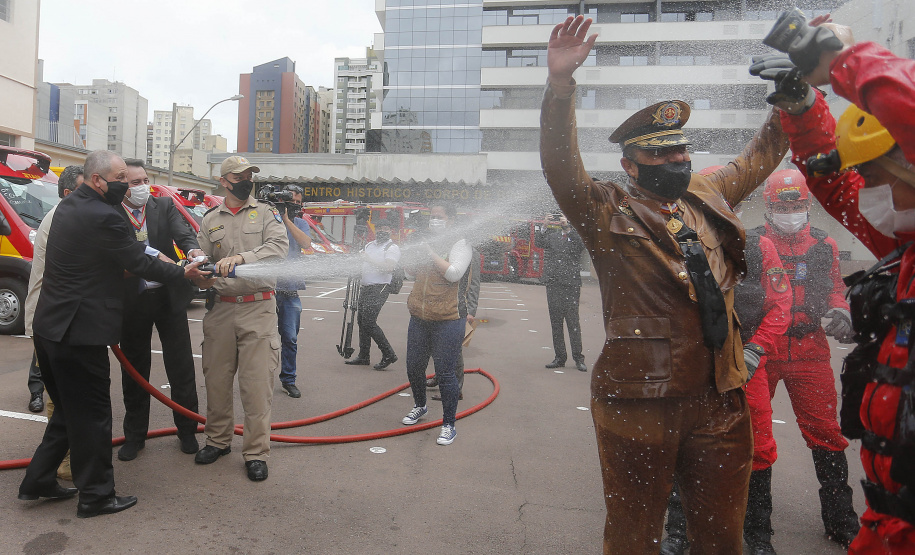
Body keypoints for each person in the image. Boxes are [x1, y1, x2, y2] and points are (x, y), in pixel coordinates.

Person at [541, 16, 790, 553]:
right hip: (640, 398)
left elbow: (759, 156)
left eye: (681, 150)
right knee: (634, 535)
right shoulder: (604, 208)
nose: (676, 160)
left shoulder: (707, 191)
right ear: (630, 164)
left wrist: (792, 99)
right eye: (660, 153)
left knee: (723, 534)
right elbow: (561, 166)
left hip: (720, 396)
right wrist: (560, 86)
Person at [754, 17, 915, 553]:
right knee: (759, 443)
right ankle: (760, 530)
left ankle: (835, 516)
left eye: (872, 177)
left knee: (824, 437)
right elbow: (832, 182)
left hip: (809, 352)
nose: (862, 191)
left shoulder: (837, 246)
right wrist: (802, 109)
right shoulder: (904, 246)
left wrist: (846, 62)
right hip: (893, 518)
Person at [18, 150, 206, 518]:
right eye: (121, 178)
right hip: (78, 332)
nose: (127, 185)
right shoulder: (104, 215)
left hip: (50, 329)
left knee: (68, 414)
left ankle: (37, 480)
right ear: (98, 180)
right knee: (92, 415)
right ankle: (97, 496)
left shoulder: (69, 209)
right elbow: (136, 261)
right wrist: (185, 273)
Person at [193, 156, 288, 482]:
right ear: (224, 181)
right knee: (217, 381)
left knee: (256, 386)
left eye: (250, 175)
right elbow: (202, 257)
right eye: (240, 176)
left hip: (258, 309)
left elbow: (278, 249)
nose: (246, 180)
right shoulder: (210, 219)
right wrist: (198, 269)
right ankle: (217, 441)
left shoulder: (266, 213)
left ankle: (255, 453)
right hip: (220, 309)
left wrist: (241, 259)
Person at [116, 159, 206, 461]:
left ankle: (187, 430)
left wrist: (193, 250)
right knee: (135, 369)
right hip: (133, 300)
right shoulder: (112, 211)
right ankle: (135, 435)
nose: (141, 187)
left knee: (180, 366)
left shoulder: (163, 206)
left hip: (168, 297)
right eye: (133, 183)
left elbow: (183, 233)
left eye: (144, 181)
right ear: (121, 185)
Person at [23, 165, 83, 481]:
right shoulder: (63, 219)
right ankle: (62, 463)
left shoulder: (65, 215)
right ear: (69, 193)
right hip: (52, 323)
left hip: (53, 320)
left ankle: (65, 460)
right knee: (60, 397)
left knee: (64, 395)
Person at [400, 204, 472, 446]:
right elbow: (412, 275)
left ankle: (449, 424)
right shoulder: (424, 240)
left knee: (445, 373)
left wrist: (429, 252)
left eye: (439, 217)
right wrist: (409, 259)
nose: (434, 221)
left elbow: (454, 273)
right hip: (420, 315)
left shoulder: (461, 243)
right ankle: (420, 406)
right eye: (432, 217)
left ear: (450, 220)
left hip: (448, 318)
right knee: (413, 366)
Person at [345, 216, 400, 370]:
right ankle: (364, 355)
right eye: (379, 229)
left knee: (369, 322)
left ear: (390, 231)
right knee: (361, 321)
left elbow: (388, 267)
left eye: (385, 229)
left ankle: (388, 353)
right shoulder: (369, 245)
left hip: (379, 288)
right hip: (366, 287)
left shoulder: (392, 248)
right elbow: (363, 263)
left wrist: (368, 260)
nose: (382, 231)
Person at [427, 244, 481, 401]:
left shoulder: (470, 251)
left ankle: (456, 389)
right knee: (436, 344)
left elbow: (474, 282)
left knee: (455, 349)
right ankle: (439, 377)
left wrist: (471, 311)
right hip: (440, 305)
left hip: (459, 307)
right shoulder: (446, 245)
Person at [535, 213, 587, 372]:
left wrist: (567, 227)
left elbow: (580, 246)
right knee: (556, 322)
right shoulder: (553, 236)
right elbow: (539, 242)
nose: (560, 220)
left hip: (570, 285)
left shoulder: (576, 236)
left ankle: (578, 358)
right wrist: (544, 225)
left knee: (573, 322)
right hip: (553, 283)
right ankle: (560, 357)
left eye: (564, 218)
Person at [275, 185, 312, 398]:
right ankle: (257, 378)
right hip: (267, 289)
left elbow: (306, 243)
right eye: (292, 202)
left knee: (290, 338)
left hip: (289, 291)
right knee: (261, 339)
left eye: (298, 202)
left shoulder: (300, 223)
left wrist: (288, 219)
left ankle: (288, 380)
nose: (295, 205)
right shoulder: (269, 220)